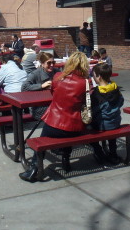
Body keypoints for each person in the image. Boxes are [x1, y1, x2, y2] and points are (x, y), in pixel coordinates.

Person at [19, 52, 94, 182]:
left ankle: (33, 169)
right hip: (76, 126)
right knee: (68, 132)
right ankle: (66, 161)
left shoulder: (58, 77)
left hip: (55, 123)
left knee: (42, 140)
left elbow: (54, 93)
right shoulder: (86, 83)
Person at [90, 63, 124, 165]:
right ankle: (113, 154)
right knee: (111, 133)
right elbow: (121, 102)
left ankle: (99, 152)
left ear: (99, 77)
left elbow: (93, 110)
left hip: (102, 125)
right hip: (116, 122)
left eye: (94, 75)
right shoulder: (116, 88)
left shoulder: (96, 93)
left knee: (87, 129)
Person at [21, 52, 59, 120]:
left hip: (54, 104)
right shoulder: (36, 73)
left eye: (53, 62)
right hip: (41, 108)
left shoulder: (57, 71)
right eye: (49, 63)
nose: (52, 65)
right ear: (42, 64)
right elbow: (24, 87)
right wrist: (41, 86)